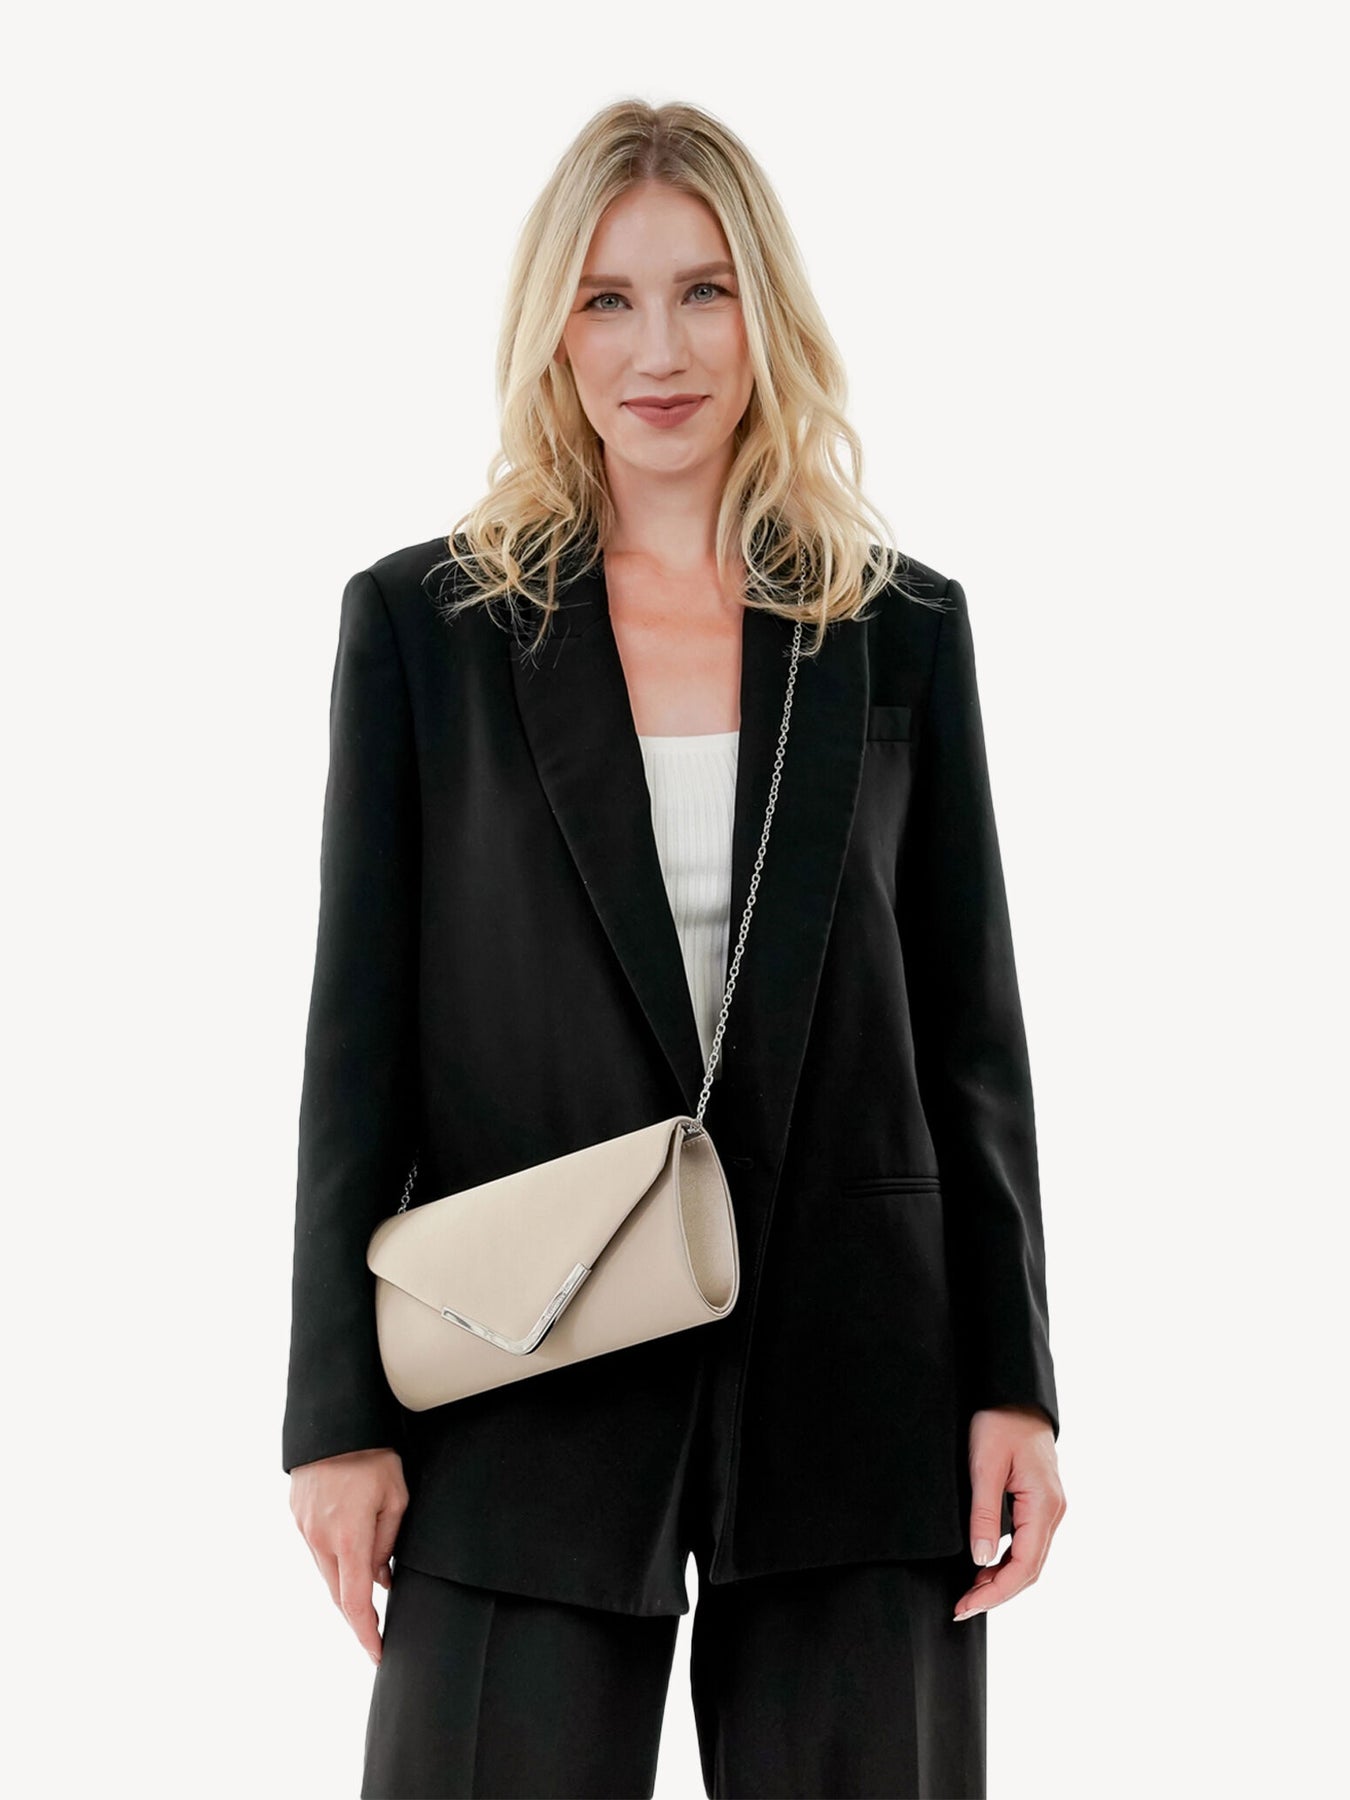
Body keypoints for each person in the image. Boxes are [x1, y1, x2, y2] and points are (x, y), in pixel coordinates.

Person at [283, 97, 1067, 1800]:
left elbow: (970, 1036)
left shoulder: (897, 627)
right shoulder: (427, 629)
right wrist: (334, 1413)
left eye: (704, 292)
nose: (660, 349)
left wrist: (1014, 1383)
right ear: (551, 330)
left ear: (764, 313)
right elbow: (356, 1046)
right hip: (522, 1363)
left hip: (858, 1365)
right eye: (608, 299)